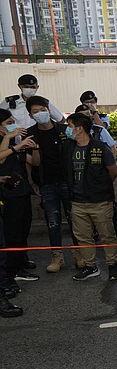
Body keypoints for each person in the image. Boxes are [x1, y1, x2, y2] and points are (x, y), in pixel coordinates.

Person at [23, 95, 79, 273]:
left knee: (74, 219)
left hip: (67, 182)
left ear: (49, 110)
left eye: (43, 110)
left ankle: (79, 254)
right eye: (35, 111)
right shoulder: (30, 134)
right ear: (31, 115)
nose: (40, 113)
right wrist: (31, 181)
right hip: (46, 184)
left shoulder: (65, 130)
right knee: (53, 221)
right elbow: (29, 161)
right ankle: (57, 256)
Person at [65, 112, 117, 282]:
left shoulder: (99, 147)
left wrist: (101, 188)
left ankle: (113, 265)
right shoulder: (68, 148)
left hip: (100, 201)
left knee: (107, 234)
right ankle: (90, 266)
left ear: (79, 129)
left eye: (70, 126)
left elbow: (113, 171)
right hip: (77, 201)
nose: (68, 130)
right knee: (83, 237)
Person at [75, 100, 117, 243]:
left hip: (101, 174)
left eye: (88, 114)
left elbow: (112, 147)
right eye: (82, 115)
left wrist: (111, 167)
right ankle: (95, 233)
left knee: (110, 205)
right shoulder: (73, 134)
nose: (87, 117)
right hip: (83, 177)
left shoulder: (99, 130)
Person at [0, 109, 38, 288]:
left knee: (23, 231)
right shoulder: (6, 143)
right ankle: (10, 274)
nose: (12, 125)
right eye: (8, 123)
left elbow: (33, 162)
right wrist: (10, 141)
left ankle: (20, 264)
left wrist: (32, 148)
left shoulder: (14, 142)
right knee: (12, 235)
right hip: (8, 196)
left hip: (22, 192)